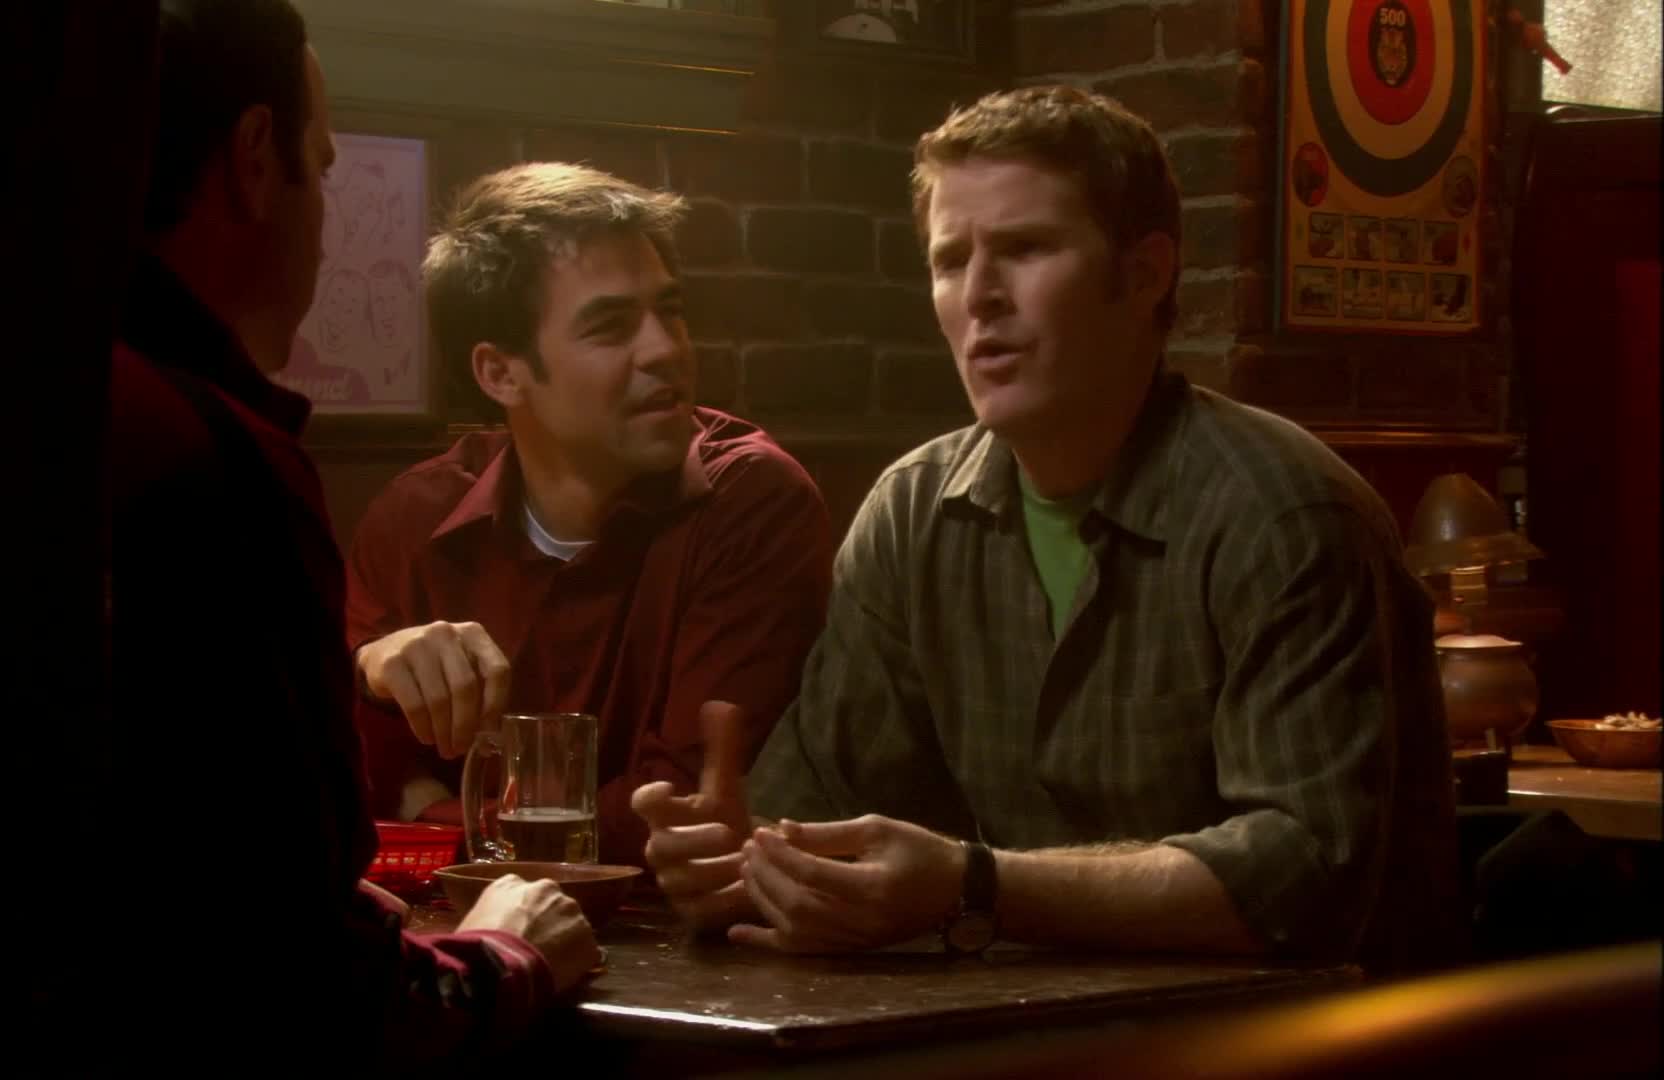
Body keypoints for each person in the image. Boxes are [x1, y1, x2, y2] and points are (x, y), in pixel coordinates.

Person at [634, 86, 1459, 975]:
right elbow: (821, 803)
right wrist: (748, 865)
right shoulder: (914, 513)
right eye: (950, 261)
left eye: (1025, 249)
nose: (979, 296)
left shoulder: (1282, 515)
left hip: (1310, 1026)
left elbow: (1308, 877)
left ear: (1144, 274)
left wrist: (978, 887)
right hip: (1031, 1020)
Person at [80, 0, 599, 1068]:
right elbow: (301, 991)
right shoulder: (208, 459)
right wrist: (506, 957)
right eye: (321, 166)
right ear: (253, 159)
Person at [345, 162, 833, 865]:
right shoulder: (415, 518)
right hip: (456, 922)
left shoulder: (751, 501)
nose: (666, 350)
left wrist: (440, 818)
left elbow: (676, 808)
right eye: (609, 327)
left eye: (670, 311)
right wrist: (371, 668)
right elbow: (329, 774)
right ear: (500, 374)